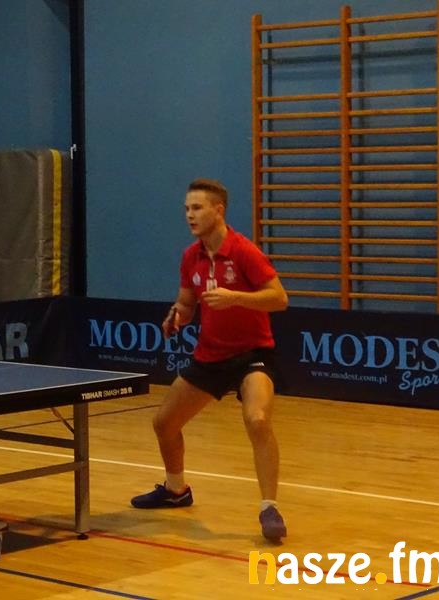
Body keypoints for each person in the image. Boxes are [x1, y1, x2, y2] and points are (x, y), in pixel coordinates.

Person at [130, 178, 289, 542]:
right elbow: (187, 302)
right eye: (187, 209)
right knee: (164, 423)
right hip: (210, 355)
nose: (190, 215)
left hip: (252, 354)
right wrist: (177, 315)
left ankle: (269, 508)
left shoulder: (244, 251)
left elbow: (279, 298)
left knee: (257, 419)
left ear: (219, 211)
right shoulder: (191, 256)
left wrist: (236, 298)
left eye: (197, 208)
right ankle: (176, 490)